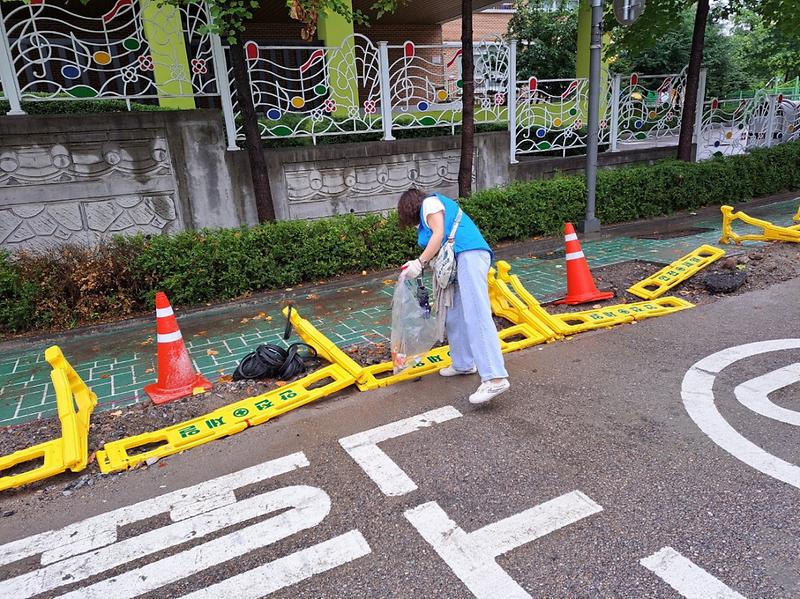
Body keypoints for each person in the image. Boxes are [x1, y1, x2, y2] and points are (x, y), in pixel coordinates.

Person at [397, 188, 509, 404]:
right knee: (453, 314)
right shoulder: (428, 213)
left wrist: (419, 263)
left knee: (476, 314)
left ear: (410, 207)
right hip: (459, 261)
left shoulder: (430, 204)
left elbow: (438, 234)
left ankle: (495, 378)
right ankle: (463, 363)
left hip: (470, 254)